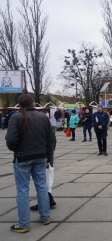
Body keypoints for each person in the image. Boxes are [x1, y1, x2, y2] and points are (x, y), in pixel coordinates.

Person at [5, 94, 53, 233]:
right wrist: (48, 157)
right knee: (41, 187)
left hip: (22, 157)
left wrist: (15, 149)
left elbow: (11, 139)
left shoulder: (16, 117)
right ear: (33, 103)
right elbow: (50, 139)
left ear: (19, 104)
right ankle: (45, 217)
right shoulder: (43, 117)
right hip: (41, 156)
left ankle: (24, 224)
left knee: (22, 190)